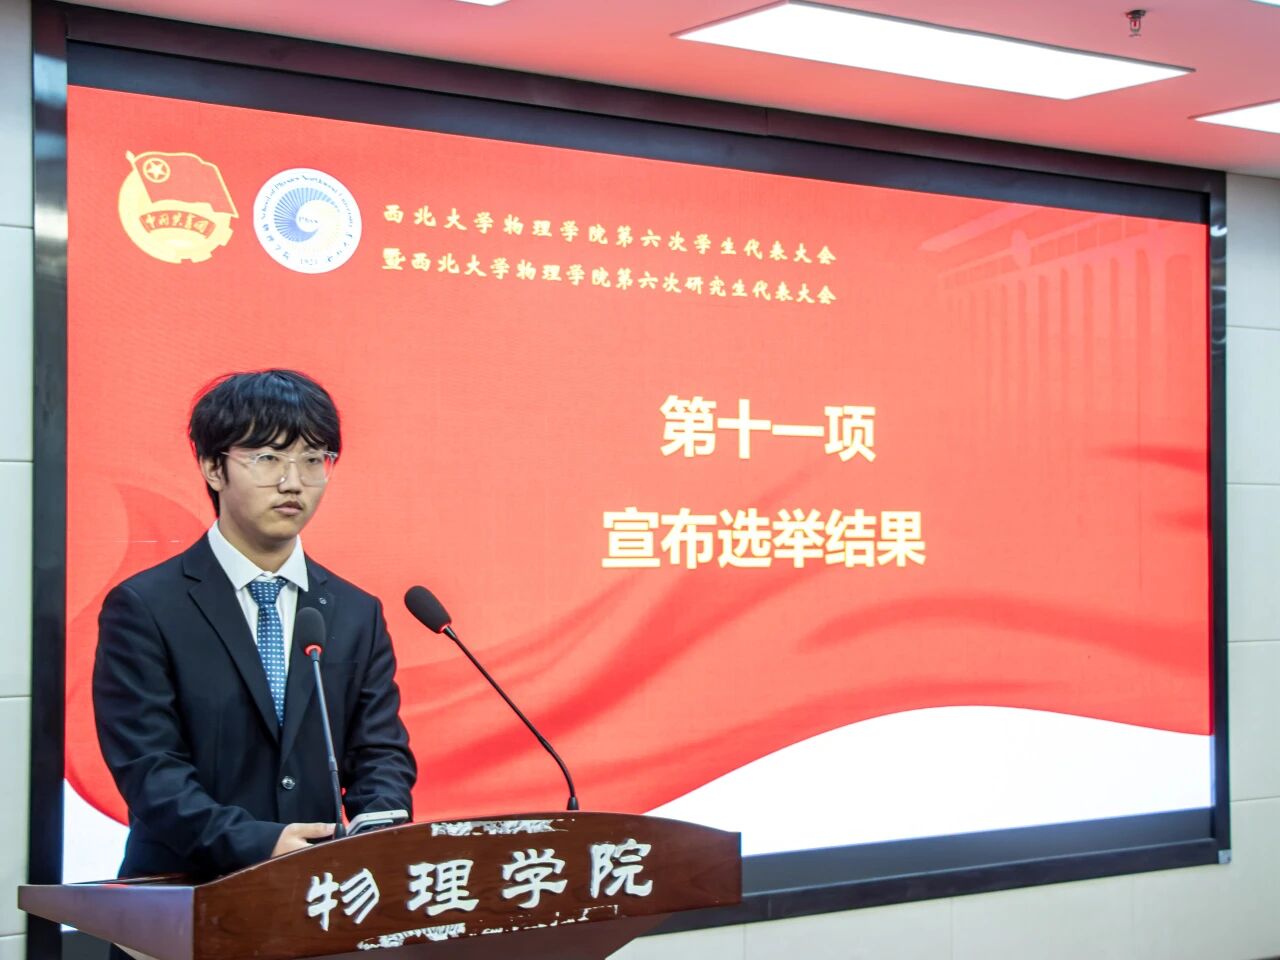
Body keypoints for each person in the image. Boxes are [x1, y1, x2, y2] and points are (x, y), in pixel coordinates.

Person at [93, 369, 416, 879]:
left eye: (313, 460)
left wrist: (377, 835)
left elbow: (380, 753)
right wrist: (260, 843)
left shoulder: (356, 612)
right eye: (268, 458)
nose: (293, 482)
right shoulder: (145, 607)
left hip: (321, 894)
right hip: (186, 894)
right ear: (212, 467)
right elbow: (149, 768)